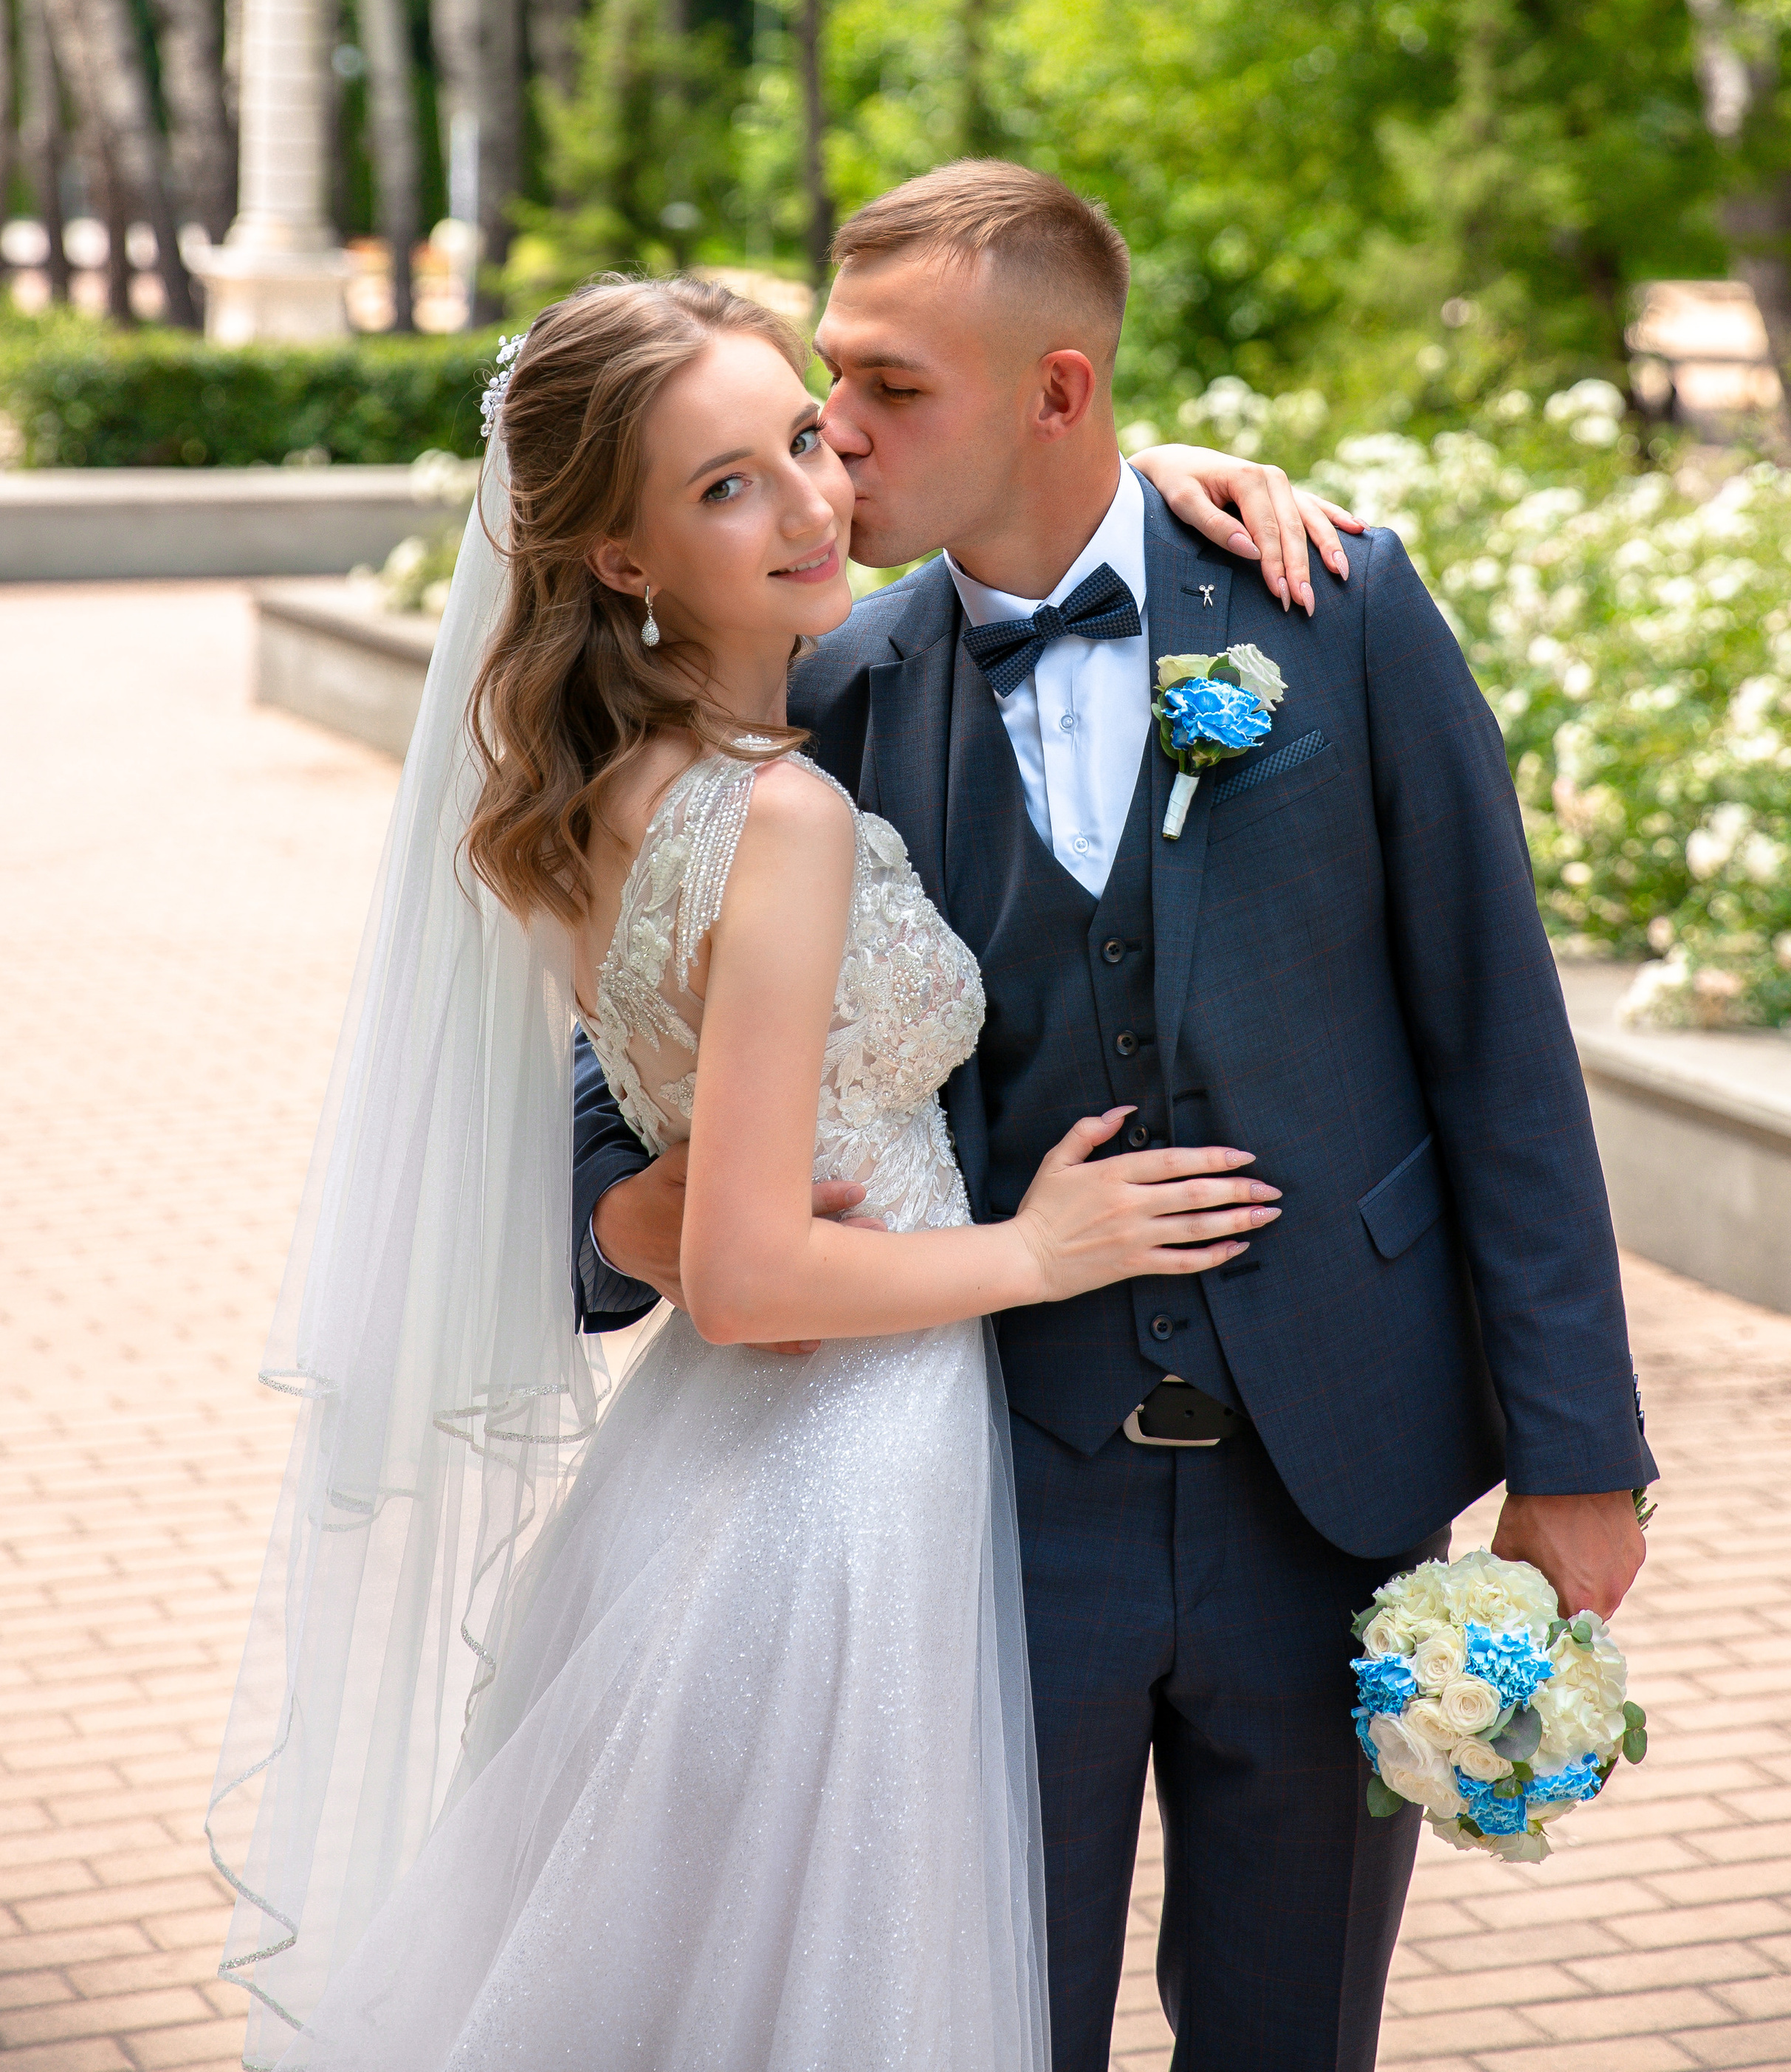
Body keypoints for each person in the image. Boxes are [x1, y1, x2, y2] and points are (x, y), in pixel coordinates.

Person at [577, 161, 1654, 2072]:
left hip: (1339, 1487)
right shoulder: (822, 691)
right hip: (992, 1494)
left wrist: (1581, 1451)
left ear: (1061, 395)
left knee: (1296, 2033)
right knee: (995, 2023)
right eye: (834, 376)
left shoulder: (1331, 606)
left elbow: (1501, 1037)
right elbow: (621, 1056)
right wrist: (652, 1223)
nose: (834, 429)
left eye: (894, 388)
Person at [209, 272, 1288, 2070]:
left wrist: (1133, 473)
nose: (808, 502)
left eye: (802, 436)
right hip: (844, 1473)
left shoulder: (596, 790)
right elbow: (751, 1275)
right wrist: (1046, 1248)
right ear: (619, 559)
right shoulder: (773, 818)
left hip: (711, 1467)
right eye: (725, 486)